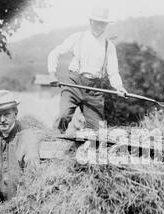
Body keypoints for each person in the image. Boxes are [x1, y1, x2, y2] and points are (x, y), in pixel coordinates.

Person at [47, 6, 128, 134]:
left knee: (98, 131)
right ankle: (55, 140)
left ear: (106, 25)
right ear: (91, 21)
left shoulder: (109, 46)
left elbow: (113, 72)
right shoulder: (78, 37)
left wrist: (119, 87)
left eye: (102, 24)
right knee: (63, 116)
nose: (99, 26)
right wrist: (52, 74)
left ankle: (89, 150)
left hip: (95, 90)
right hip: (73, 83)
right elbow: (55, 53)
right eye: (96, 23)